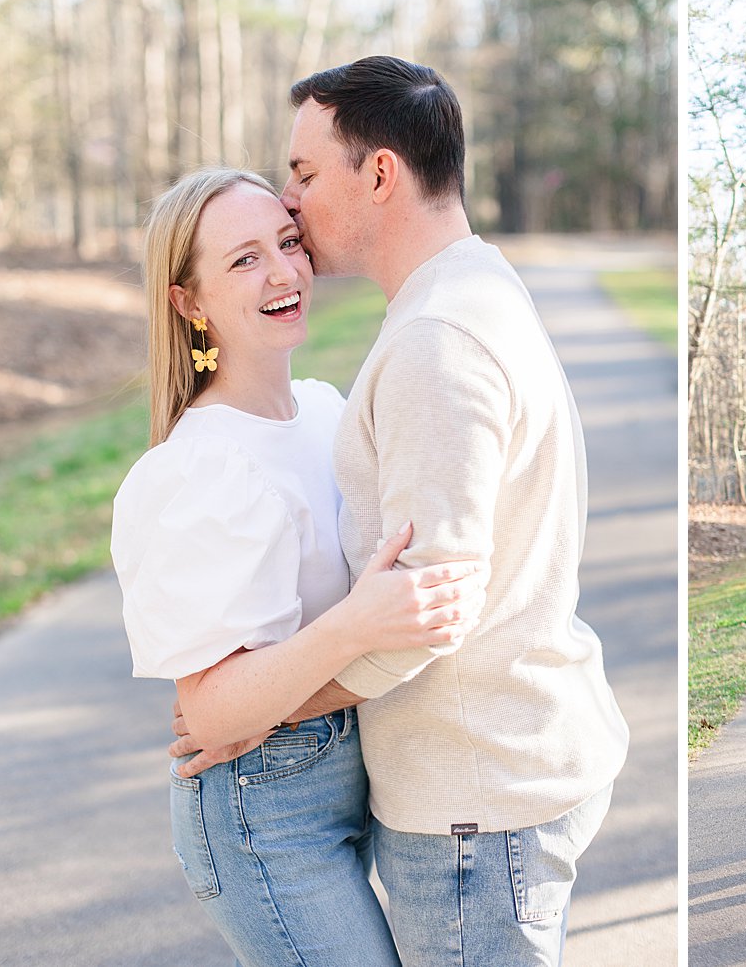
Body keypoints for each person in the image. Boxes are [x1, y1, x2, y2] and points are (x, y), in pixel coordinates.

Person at [172, 56, 630, 965]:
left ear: (379, 173)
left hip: (475, 801)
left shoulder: (435, 341)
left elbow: (427, 611)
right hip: (497, 774)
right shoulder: (475, 287)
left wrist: (271, 706)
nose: (290, 203)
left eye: (303, 174)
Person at [111, 167, 486, 965]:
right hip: (260, 814)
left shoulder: (323, 407)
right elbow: (209, 715)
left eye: (287, 243)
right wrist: (357, 624)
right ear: (189, 302)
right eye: (243, 261)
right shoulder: (198, 467)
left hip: (353, 775)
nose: (283, 273)